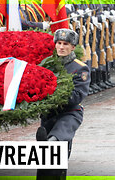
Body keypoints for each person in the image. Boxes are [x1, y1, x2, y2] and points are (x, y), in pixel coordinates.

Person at [36, 28, 91, 179]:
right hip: (48, 115)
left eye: (65, 44)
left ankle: (51, 142)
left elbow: (77, 96)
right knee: (44, 166)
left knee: (57, 153)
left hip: (68, 114)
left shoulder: (80, 68)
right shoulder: (47, 65)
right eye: (59, 43)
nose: (61, 47)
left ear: (73, 47)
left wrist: (53, 94)